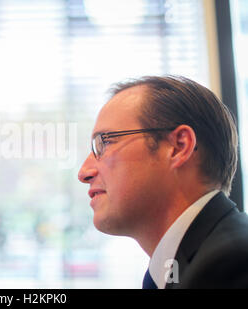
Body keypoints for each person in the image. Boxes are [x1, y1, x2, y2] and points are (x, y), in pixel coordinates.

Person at [78, 75, 248, 289]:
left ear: (178, 147)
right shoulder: (194, 263)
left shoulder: (231, 265)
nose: (84, 173)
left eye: (105, 142)